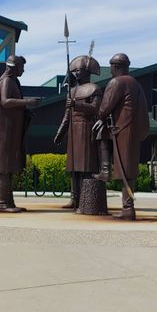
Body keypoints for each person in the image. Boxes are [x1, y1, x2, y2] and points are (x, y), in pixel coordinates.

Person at [93, 53, 149, 220]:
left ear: (116, 67)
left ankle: (127, 208)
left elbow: (104, 108)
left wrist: (101, 117)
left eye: (111, 67)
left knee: (125, 169)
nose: (110, 71)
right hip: (132, 130)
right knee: (128, 167)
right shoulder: (136, 83)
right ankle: (127, 206)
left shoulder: (116, 82)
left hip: (122, 130)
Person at [54, 55, 103, 211]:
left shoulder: (94, 89)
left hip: (86, 129)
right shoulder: (71, 91)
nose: (76, 73)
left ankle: (85, 198)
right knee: (73, 167)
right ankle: (74, 198)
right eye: (73, 70)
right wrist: (60, 132)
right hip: (73, 133)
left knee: (85, 166)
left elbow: (96, 108)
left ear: (87, 71)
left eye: (79, 70)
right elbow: (67, 115)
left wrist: (77, 104)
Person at [0, 55, 39, 212]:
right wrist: (27, 102)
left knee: (9, 165)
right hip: (4, 131)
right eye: (22, 67)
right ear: (14, 67)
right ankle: (2, 203)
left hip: (10, 130)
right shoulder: (6, 81)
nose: (24, 70)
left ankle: (8, 202)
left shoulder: (12, 82)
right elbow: (5, 101)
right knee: (4, 166)